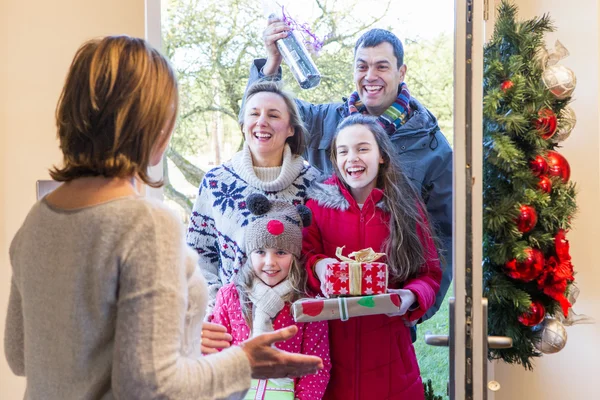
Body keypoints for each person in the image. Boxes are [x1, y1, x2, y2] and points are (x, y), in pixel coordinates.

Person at [3, 35, 323, 400]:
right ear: (152, 123)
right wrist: (243, 363)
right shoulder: (145, 225)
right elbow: (147, 385)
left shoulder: (38, 219)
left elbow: (20, 355)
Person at [245, 25, 453, 326]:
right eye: (362, 66)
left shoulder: (432, 147)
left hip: (388, 315)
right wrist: (271, 65)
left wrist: (415, 309)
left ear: (401, 71)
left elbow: (443, 237)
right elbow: (265, 117)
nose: (370, 76)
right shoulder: (323, 122)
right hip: (324, 316)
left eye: (382, 66)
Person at [302, 115, 442, 399]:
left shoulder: (405, 204)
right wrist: (320, 266)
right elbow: (303, 258)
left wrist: (410, 297)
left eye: (362, 148)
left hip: (391, 361)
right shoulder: (316, 204)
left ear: (381, 155)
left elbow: (430, 273)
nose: (352, 158)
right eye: (343, 151)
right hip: (330, 361)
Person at [186, 79, 322, 319]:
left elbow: (320, 251)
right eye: (254, 114)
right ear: (243, 124)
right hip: (231, 322)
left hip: (299, 323)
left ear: (291, 128)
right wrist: (219, 307)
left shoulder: (314, 184)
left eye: (273, 115)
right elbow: (198, 255)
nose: (262, 122)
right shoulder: (217, 183)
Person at [210, 194, 331, 399]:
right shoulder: (230, 296)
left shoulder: (308, 305)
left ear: (294, 257)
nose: (270, 262)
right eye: (260, 252)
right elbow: (214, 352)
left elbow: (317, 367)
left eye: (281, 252)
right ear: (250, 254)